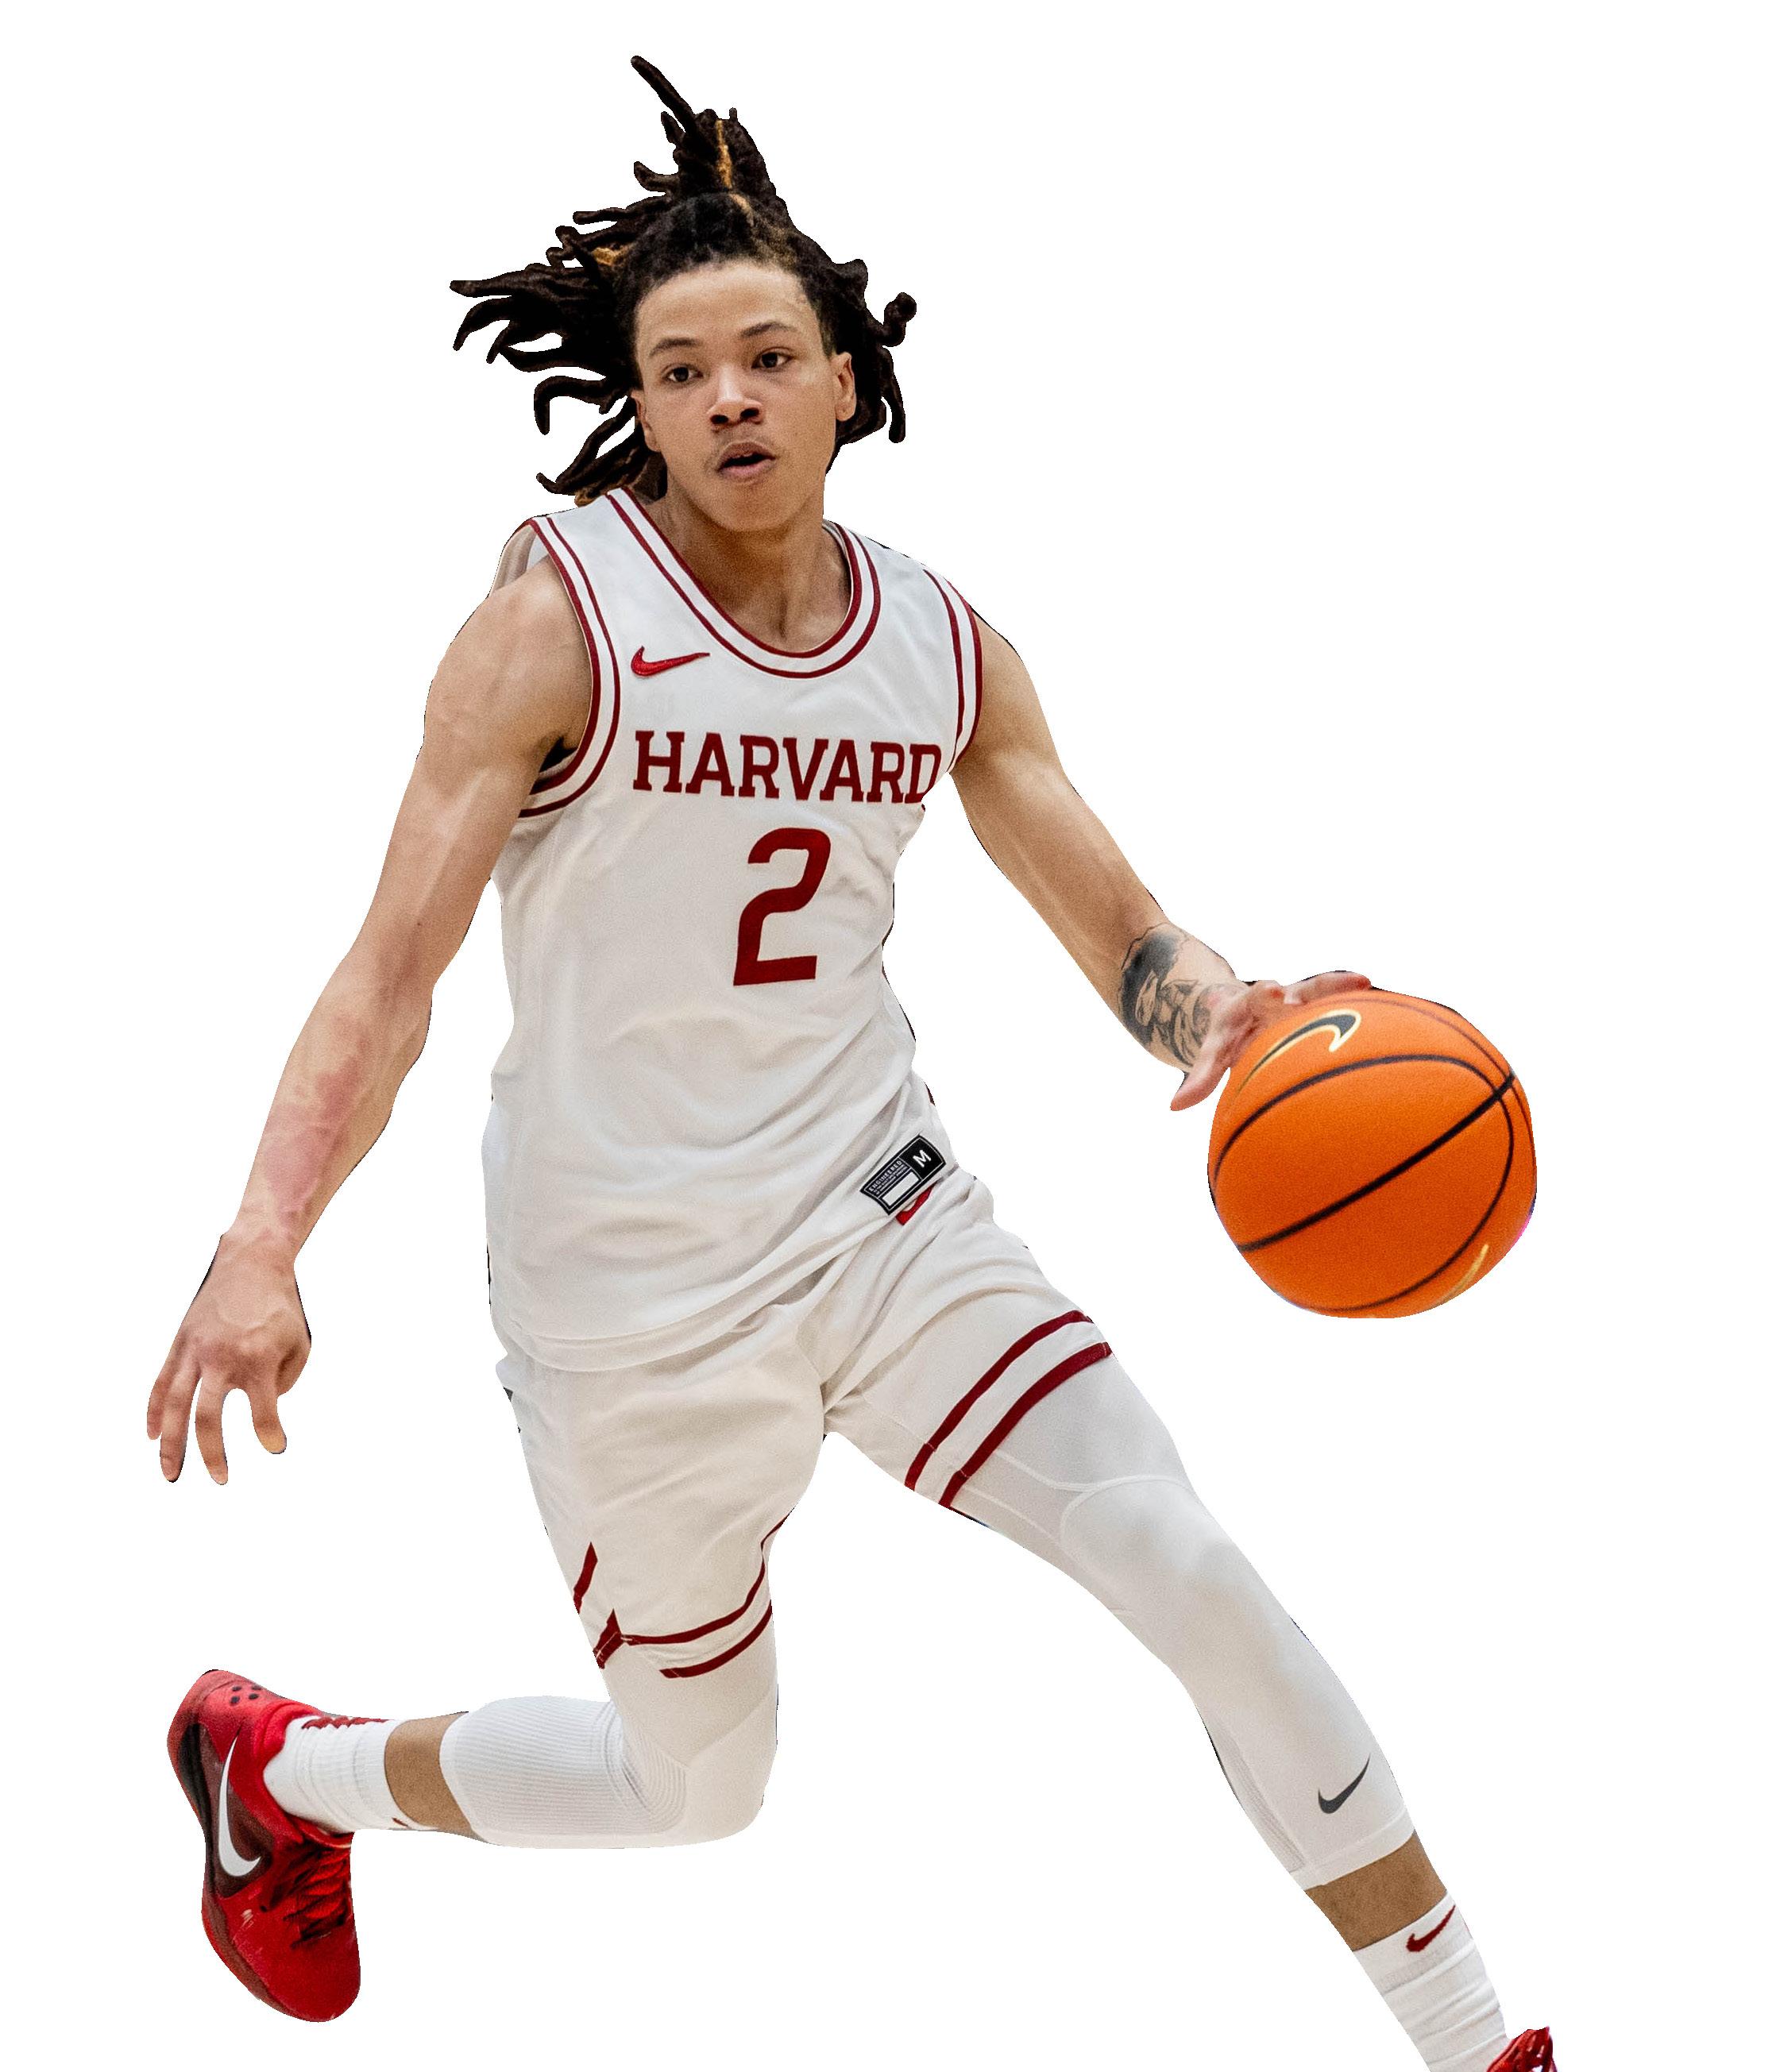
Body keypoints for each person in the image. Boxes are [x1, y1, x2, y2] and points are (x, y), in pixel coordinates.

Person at [148, 56, 1554, 2072]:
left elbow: (1124, 936)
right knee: (692, 1789)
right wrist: (262, 1242)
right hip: (630, 1292)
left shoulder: (940, 642)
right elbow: (389, 975)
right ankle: (286, 1774)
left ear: (840, 380)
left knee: (1184, 1562)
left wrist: (1229, 1019)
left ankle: (1477, 2037)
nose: (726, 398)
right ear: (639, 407)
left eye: (763, 358)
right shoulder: (555, 626)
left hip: (879, 1216)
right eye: (681, 371)